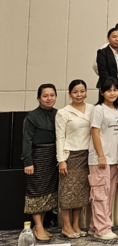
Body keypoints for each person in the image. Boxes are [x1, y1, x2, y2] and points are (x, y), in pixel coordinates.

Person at [56, 79, 94, 239]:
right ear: (70, 94)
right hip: (70, 155)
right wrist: (61, 160)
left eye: (82, 91)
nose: (79, 95)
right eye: (75, 92)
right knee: (67, 192)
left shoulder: (92, 109)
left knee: (81, 193)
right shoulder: (63, 112)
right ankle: (66, 226)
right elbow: (60, 137)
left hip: (87, 155)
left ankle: (76, 224)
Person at [22, 83, 59, 242]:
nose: (49, 98)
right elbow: (26, 140)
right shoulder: (31, 116)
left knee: (48, 193)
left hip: (53, 157)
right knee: (36, 192)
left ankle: (41, 226)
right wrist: (28, 161)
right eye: (45, 96)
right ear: (38, 98)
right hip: (37, 157)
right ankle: (37, 226)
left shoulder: (59, 114)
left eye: (52, 95)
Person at [87, 78, 118, 241]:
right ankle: (103, 228)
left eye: (115, 90)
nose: (112, 93)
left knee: (108, 194)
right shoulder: (98, 109)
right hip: (100, 159)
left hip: (114, 159)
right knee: (99, 194)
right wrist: (101, 155)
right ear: (102, 92)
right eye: (109, 90)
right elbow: (95, 133)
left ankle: (96, 226)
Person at [96, 27, 118, 107]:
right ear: (108, 38)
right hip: (107, 84)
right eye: (114, 37)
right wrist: (115, 86)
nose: (117, 39)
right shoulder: (102, 52)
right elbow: (103, 72)